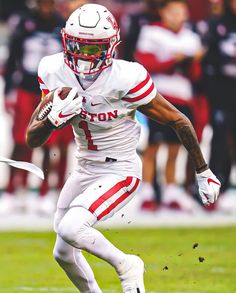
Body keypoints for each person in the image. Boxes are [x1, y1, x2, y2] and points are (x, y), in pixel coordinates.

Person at [26, 3, 221, 292]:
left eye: (93, 49)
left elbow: (178, 120)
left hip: (120, 169)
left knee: (71, 228)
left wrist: (202, 170)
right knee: (63, 252)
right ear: (67, 40)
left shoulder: (126, 76)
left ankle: (127, 265)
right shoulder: (53, 69)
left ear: (111, 46)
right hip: (85, 167)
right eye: (79, 46)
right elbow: (32, 138)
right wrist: (53, 120)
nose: (83, 56)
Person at [135, 0, 205, 212]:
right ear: (163, 13)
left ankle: (170, 190)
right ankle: (146, 190)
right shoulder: (151, 33)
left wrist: (192, 61)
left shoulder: (191, 38)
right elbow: (144, 63)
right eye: (172, 12)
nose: (176, 16)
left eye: (180, 12)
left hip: (182, 96)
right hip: (158, 96)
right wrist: (174, 60)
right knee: (153, 146)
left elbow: (195, 75)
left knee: (175, 147)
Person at [0, 0, 66, 215]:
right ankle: (13, 190)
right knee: (20, 142)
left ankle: (44, 192)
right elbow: (12, 59)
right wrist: (9, 91)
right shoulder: (24, 21)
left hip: (51, 93)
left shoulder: (62, 24)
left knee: (48, 143)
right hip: (26, 88)